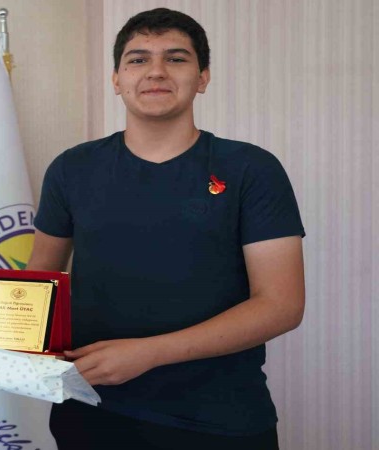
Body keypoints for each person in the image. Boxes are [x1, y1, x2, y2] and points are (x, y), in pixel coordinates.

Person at [27, 8, 304, 450]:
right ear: (116, 79)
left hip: (220, 421)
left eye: (175, 58)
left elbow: (281, 305)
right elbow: (38, 282)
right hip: (92, 410)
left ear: (202, 77)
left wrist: (148, 353)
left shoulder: (251, 168)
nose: (155, 71)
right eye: (138, 59)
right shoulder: (71, 169)